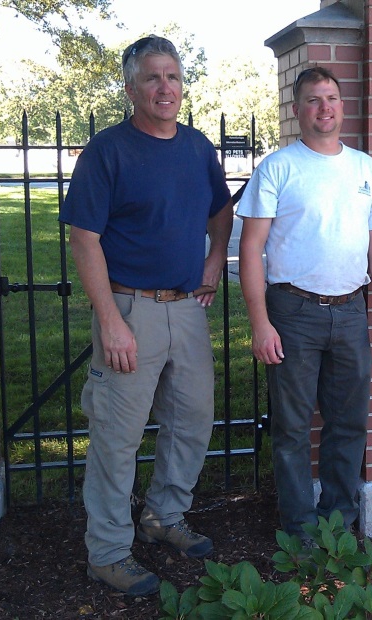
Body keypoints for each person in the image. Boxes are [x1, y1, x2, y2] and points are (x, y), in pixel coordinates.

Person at [58, 35, 233, 596]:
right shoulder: (107, 151)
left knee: (192, 421)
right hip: (129, 307)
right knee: (117, 436)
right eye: (153, 77)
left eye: (174, 77)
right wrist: (109, 319)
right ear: (131, 87)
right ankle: (107, 552)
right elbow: (84, 240)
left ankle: (164, 516)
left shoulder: (198, 148)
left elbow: (221, 212)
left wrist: (212, 259)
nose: (165, 87)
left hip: (186, 310)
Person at [237, 66, 372, 539]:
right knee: (291, 429)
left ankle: (337, 523)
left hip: (352, 310)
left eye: (331, 97)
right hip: (293, 311)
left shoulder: (365, 168)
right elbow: (251, 249)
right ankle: (298, 529)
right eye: (313, 99)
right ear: (297, 110)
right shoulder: (278, 168)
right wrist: (260, 323)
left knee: (348, 423)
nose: (324, 107)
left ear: (342, 105)